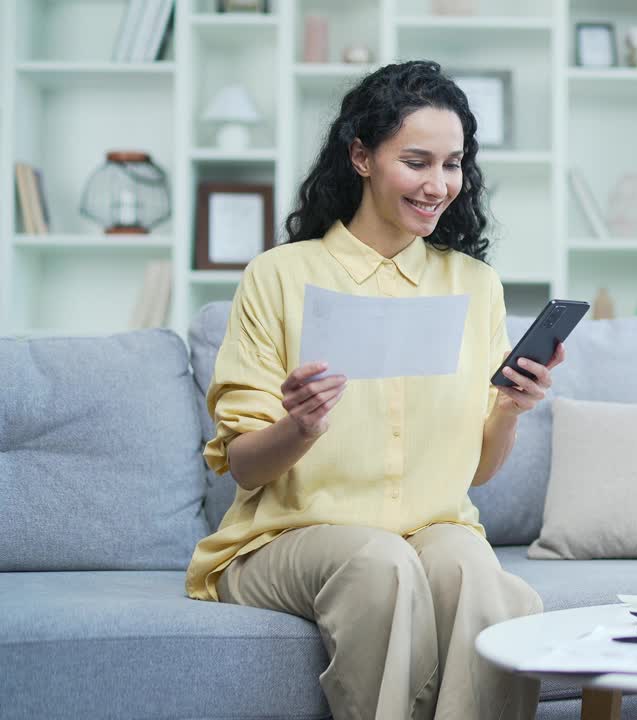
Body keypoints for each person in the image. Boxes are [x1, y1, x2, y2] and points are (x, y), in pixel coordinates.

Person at [185, 60, 561, 720]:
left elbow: (476, 472)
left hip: (435, 527)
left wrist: (509, 409)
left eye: (453, 164)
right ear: (360, 155)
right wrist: (298, 427)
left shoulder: (473, 286)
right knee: (381, 562)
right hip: (291, 537)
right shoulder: (279, 277)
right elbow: (243, 468)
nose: (439, 184)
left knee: (473, 571)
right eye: (416, 161)